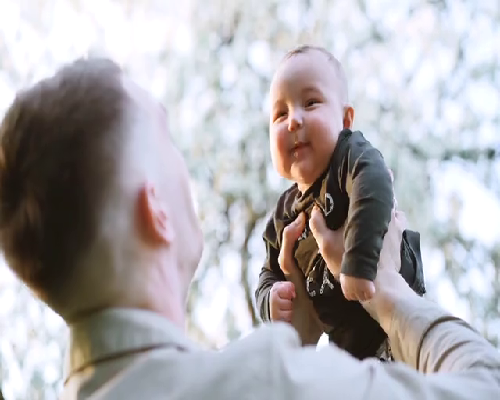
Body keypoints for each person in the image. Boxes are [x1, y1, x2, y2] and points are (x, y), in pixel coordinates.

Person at [0, 57, 498, 400]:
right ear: (157, 211)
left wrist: (299, 336)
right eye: (169, 142)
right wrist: (390, 293)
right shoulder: (268, 381)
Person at [255, 45, 425, 360]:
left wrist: (359, 261)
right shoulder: (282, 215)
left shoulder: (349, 158)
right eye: (280, 114)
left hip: (398, 318)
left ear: (345, 120)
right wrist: (271, 300)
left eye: (310, 103)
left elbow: (374, 184)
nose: (293, 121)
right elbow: (268, 272)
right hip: (348, 349)